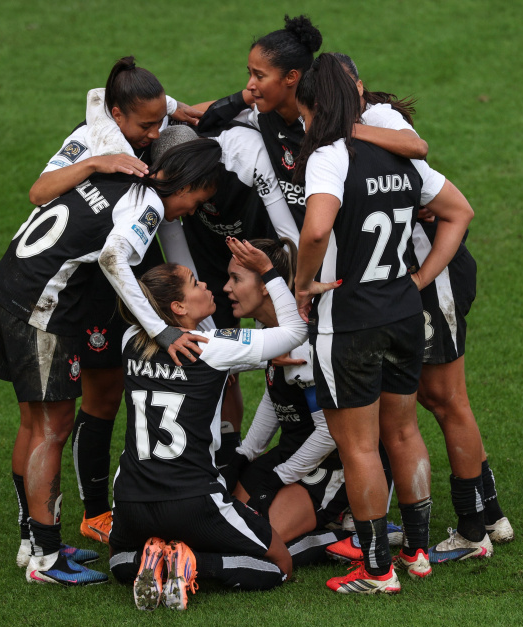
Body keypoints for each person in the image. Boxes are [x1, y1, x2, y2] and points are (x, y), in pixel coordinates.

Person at [0, 138, 221, 585]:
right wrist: (161, 327)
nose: (192, 211)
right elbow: (115, 258)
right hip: (40, 307)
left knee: (33, 423)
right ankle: (46, 561)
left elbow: (99, 98)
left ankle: (33, 542)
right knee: (52, 428)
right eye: (197, 200)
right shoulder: (148, 206)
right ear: (188, 183)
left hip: (9, 285)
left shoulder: (120, 175)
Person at [291, 54, 474, 594]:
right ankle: (416, 552)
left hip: (348, 321)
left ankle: (376, 570)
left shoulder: (328, 156)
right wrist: (418, 281)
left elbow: (318, 229)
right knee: (404, 430)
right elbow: (459, 211)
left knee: (360, 448)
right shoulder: (397, 153)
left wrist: (303, 283)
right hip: (401, 312)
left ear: (315, 106)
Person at [336, 53, 514, 561]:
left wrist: (417, 280)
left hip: (431, 276)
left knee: (444, 400)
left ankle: (472, 530)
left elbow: (432, 184)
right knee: (443, 401)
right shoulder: (367, 123)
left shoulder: (375, 124)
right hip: (431, 275)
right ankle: (490, 512)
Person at [26, 56, 205, 545]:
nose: (152, 132)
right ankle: (94, 511)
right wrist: (95, 163)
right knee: (99, 398)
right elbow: (39, 191)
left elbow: (157, 108)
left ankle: (89, 512)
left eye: (157, 121)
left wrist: (177, 108)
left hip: (122, 277)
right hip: (86, 288)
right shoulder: (90, 139)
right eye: (145, 124)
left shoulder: (147, 123)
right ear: (117, 114)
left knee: (114, 394)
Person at [108, 239, 339, 610]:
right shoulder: (212, 345)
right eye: (196, 283)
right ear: (179, 306)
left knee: (118, 561)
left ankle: (150, 559)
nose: (209, 286)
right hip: (193, 498)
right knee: (281, 565)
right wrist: (269, 271)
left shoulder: (129, 340)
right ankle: (195, 563)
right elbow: (295, 331)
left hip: (132, 498)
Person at [149, 124, 300, 486]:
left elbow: (289, 236)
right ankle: (225, 460)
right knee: (223, 366)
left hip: (265, 245)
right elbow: (181, 261)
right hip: (210, 257)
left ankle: (257, 458)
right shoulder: (170, 193)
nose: (184, 207)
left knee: (290, 355)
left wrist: (286, 291)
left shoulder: (244, 157)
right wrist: (221, 346)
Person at [198, 15, 428, 230]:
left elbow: (417, 147)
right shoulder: (263, 114)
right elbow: (203, 117)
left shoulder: (341, 117)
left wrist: (342, 129)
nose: (249, 83)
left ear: (291, 77)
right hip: (312, 248)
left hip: (352, 244)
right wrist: (245, 96)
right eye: (249, 74)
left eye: (259, 76)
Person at [221, 238, 354, 567]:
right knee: (232, 526)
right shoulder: (267, 325)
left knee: (264, 542)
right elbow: (274, 392)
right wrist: (246, 453)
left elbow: (329, 432)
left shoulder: (304, 343)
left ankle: (356, 534)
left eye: (236, 279)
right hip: (294, 448)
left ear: (266, 288)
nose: (226, 288)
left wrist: (281, 475)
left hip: (332, 459)